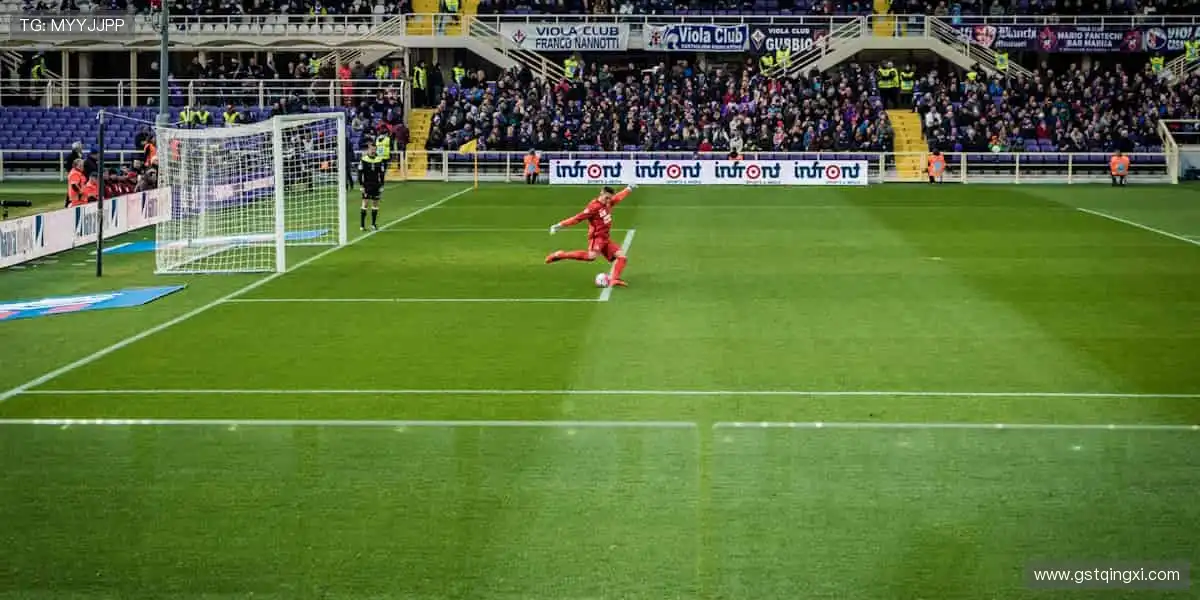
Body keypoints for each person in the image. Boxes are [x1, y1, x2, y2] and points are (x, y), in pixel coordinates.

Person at [545, 184, 637, 288]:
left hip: (605, 238)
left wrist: (629, 189)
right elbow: (577, 218)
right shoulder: (593, 207)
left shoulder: (608, 203)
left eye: (609, 198)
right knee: (591, 257)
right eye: (606, 198)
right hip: (597, 237)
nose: (608, 200)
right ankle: (560, 255)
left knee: (622, 257)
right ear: (601, 193)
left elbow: (618, 197)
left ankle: (614, 279)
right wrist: (559, 225)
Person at [359, 141, 387, 231]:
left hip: (376, 185)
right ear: (368, 149)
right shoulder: (363, 159)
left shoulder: (379, 159)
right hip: (367, 185)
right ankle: (362, 225)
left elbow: (382, 173)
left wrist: (382, 185)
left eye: (374, 149)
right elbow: (360, 173)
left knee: (375, 204)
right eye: (371, 149)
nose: (373, 151)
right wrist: (361, 185)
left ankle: (373, 224)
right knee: (365, 203)